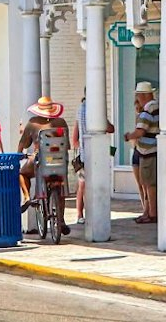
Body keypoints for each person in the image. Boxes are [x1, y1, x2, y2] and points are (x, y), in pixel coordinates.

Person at [18, 96, 70, 235]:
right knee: (61, 185)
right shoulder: (61, 122)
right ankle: (62, 220)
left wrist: (19, 154)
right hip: (59, 160)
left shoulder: (32, 123)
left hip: (41, 162)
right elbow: (67, 146)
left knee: (22, 173)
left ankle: (27, 197)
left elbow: (23, 144)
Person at [72, 94, 114, 225]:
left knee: (82, 186)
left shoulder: (80, 111)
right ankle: (97, 213)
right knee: (97, 184)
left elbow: (74, 139)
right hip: (97, 154)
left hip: (83, 155)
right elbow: (111, 129)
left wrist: (82, 146)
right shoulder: (96, 110)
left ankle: (80, 214)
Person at [124, 82, 159, 224]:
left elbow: (141, 131)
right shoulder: (158, 108)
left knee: (149, 184)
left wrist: (129, 136)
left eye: (138, 95)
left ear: (143, 95)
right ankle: (148, 211)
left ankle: (151, 213)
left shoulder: (147, 111)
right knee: (147, 183)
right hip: (153, 150)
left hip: (148, 151)